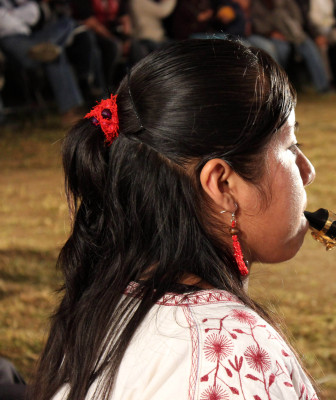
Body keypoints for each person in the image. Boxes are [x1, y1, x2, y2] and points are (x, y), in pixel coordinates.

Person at [30, 39, 318, 400]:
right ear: (223, 184)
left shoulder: (104, 303)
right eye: (291, 147)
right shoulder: (237, 354)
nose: (308, 171)